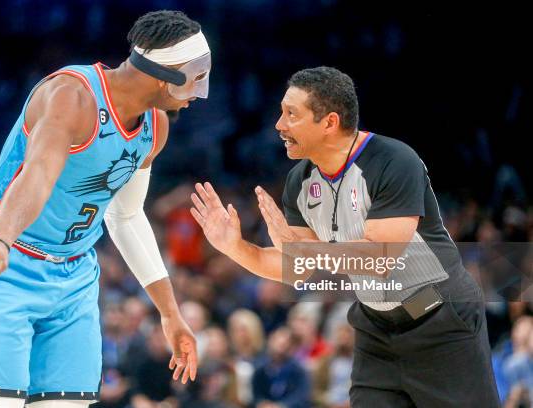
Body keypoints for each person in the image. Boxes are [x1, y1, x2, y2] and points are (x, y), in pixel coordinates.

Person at [190, 66, 501, 407]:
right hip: (375, 329)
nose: (278, 125)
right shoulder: (300, 181)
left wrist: (306, 251)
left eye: (291, 115)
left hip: (439, 319)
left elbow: (380, 258)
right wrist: (234, 247)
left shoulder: (394, 161)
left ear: (329, 123)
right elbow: (295, 267)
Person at [0, 10, 211, 408]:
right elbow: (38, 174)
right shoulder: (72, 95)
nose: (200, 91)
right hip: (5, 262)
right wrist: (0, 240)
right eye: (196, 76)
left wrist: (169, 312)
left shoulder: (155, 127)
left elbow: (125, 217)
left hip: (73, 275)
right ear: (166, 75)